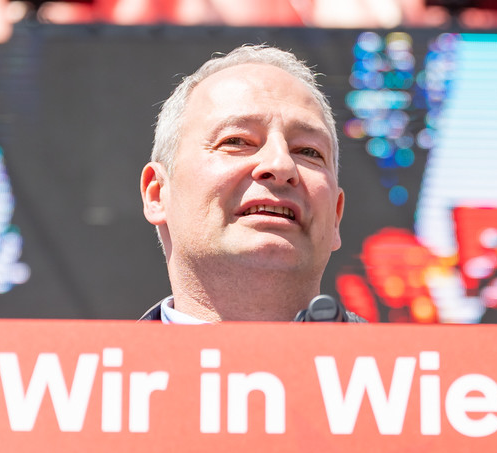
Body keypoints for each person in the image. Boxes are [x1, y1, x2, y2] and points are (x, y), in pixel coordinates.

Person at [139, 45, 345, 323]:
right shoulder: (90, 353)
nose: (281, 165)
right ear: (157, 193)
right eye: (236, 141)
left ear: (336, 216)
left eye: (308, 151)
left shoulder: (400, 353)